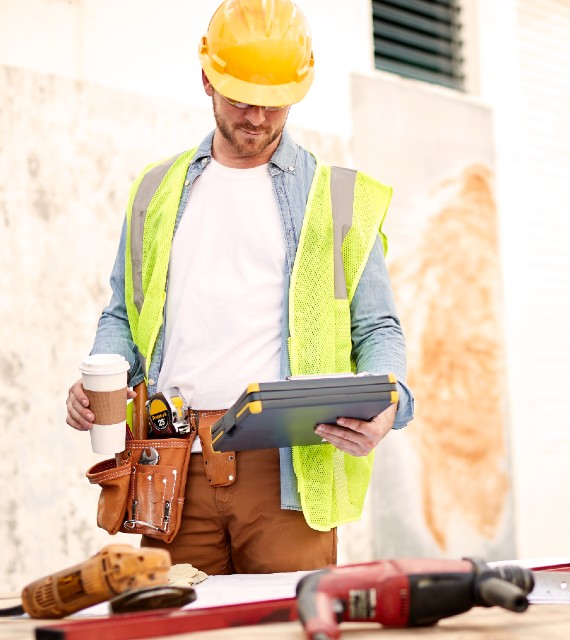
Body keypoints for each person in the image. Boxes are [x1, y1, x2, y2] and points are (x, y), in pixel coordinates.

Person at [66, 0, 414, 574]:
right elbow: (124, 315)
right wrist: (98, 375)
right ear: (207, 79)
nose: (256, 117)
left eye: (273, 103)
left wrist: (389, 403)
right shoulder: (154, 192)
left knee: (282, 629)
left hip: (286, 474)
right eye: (240, 99)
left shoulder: (343, 198)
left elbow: (376, 327)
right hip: (170, 466)